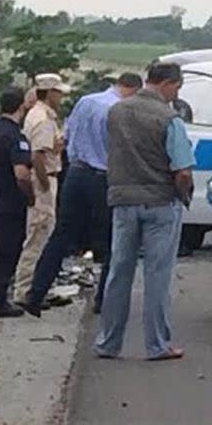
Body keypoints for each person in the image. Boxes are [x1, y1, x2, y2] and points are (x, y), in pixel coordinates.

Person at [18, 73, 143, 317]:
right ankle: (103, 299)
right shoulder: (120, 110)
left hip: (75, 174)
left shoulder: (86, 101)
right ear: (133, 89)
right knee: (111, 240)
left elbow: (66, 137)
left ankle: (35, 293)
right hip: (102, 177)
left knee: (61, 235)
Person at [94, 62, 195, 361]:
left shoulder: (116, 111)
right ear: (167, 83)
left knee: (119, 273)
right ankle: (157, 344)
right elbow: (182, 170)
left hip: (123, 201)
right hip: (160, 202)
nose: (176, 93)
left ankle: (108, 342)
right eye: (177, 87)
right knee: (157, 276)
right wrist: (183, 194)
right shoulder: (168, 118)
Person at [13, 74, 69, 304]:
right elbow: (37, 155)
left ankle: (36, 285)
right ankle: (26, 289)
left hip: (45, 177)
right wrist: (45, 185)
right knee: (39, 234)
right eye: (59, 92)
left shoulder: (38, 115)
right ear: (50, 92)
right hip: (44, 178)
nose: (61, 97)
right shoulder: (43, 119)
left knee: (41, 233)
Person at [0, 87, 35, 318]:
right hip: (10, 201)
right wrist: (30, 195)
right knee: (8, 250)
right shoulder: (16, 137)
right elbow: (21, 173)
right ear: (21, 106)